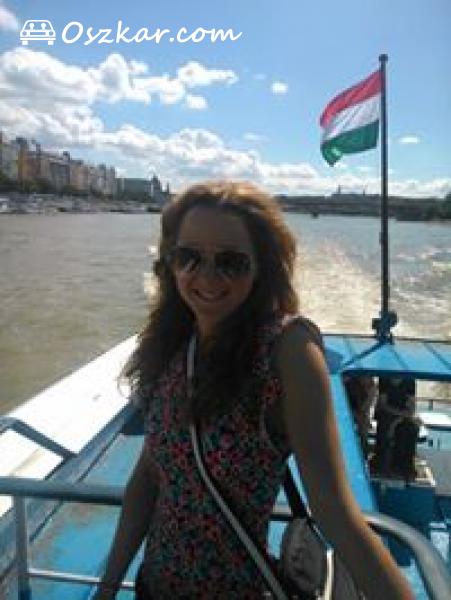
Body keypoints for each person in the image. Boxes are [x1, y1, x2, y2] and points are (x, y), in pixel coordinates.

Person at [94, 181, 413, 599]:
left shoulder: (286, 348)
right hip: (152, 588)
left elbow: (335, 512)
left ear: (261, 267)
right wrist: (108, 585)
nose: (207, 276)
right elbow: (149, 475)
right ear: (170, 263)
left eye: (231, 262)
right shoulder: (172, 343)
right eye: (189, 257)